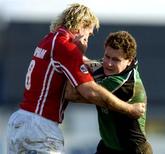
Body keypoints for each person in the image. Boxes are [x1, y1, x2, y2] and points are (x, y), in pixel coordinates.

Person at [7, 3, 145, 154]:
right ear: (82, 25)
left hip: (19, 122)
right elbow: (89, 92)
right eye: (89, 34)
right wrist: (129, 109)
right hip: (40, 128)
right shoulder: (66, 47)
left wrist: (91, 60)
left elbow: (75, 62)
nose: (87, 39)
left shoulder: (49, 39)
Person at [66, 31, 153, 154]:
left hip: (133, 150)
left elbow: (72, 95)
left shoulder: (122, 83)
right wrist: (76, 49)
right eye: (107, 56)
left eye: (116, 60)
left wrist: (72, 56)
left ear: (129, 60)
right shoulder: (109, 67)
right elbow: (88, 63)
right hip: (108, 147)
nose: (109, 63)